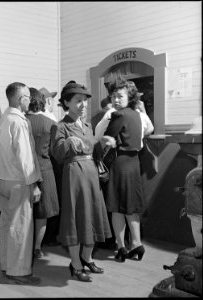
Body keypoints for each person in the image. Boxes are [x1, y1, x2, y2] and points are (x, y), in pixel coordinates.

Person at [50, 80, 114, 282]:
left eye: (85, 101)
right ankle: (75, 264)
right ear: (66, 103)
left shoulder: (88, 126)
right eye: (78, 101)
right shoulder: (60, 126)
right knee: (76, 219)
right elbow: (58, 154)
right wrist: (67, 142)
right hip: (74, 177)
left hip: (91, 175)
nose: (83, 105)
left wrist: (105, 144)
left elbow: (96, 154)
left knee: (91, 217)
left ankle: (87, 258)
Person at [0, 82, 42, 285]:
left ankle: (6, 265)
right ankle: (18, 272)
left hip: (1, 180)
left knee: (7, 226)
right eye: (28, 96)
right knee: (21, 227)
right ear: (21, 100)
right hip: (18, 182)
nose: (30, 100)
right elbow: (25, 156)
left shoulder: (2, 119)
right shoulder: (19, 122)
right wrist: (34, 184)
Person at [103, 76, 154, 262]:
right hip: (134, 163)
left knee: (117, 207)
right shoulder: (137, 115)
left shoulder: (118, 115)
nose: (116, 100)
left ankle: (121, 246)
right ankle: (137, 244)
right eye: (114, 96)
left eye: (120, 96)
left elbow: (106, 138)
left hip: (120, 163)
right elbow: (147, 132)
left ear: (129, 96)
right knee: (131, 207)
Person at [26, 87, 59, 258]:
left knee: (26, 212)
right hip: (45, 169)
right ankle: (37, 247)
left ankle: (25, 247)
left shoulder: (22, 121)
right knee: (43, 213)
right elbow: (55, 151)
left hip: (24, 171)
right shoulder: (50, 123)